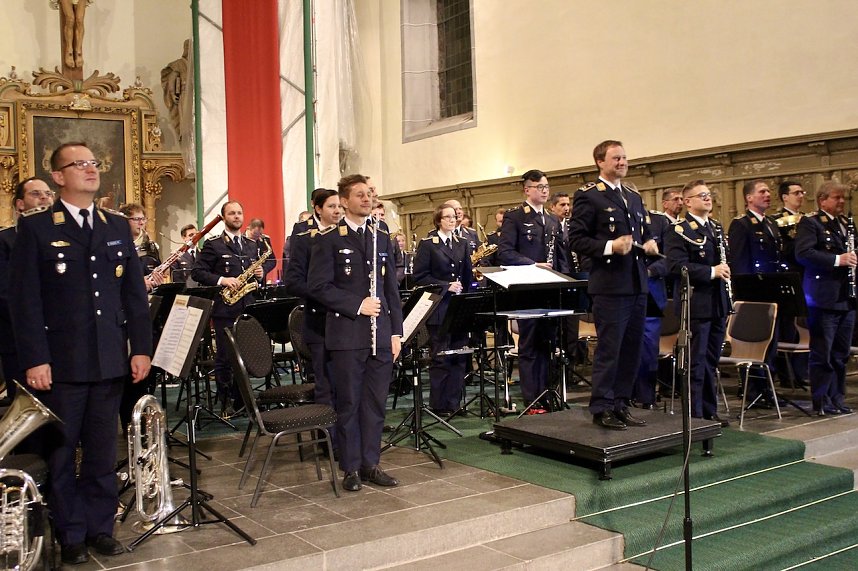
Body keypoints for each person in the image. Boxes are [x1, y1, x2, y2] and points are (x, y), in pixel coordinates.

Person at [8, 142, 152, 565]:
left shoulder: (115, 225)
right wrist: (35, 359)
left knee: (104, 451)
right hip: (61, 363)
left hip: (109, 358)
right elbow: (25, 303)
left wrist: (140, 349)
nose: (90, 170)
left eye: (93, 163)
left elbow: (133, 297)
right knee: (62, 451)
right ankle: (70, 532)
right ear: (57, 176)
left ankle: (100, 527)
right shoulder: (36, 229)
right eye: (79, 165)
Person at [307, 174, 403, 492]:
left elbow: (391, 291)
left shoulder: (381, 237)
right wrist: (356, 304)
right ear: (344, 201)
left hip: (381, 333)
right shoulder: (328, 240)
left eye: (369, 194)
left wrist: (396, 334)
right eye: (359, 195)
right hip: (347, 333)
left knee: (375, 403)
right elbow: (318, 287)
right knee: (349, 403)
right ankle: (350, 467)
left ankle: (370, 463)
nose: (366, 198)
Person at [568, 140, 659, 430]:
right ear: (600, 162)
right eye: (616, 158)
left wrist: (647, 246)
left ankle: (621, 403)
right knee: (610, 349)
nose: (622, 162)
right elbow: (576, 239)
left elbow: (637, 235)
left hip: (636, 283)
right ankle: (602, 406)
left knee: (632, 349)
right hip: (609, 285)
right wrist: (609, 246)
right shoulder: (589, 196)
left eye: (624, 157)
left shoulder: (632, 196)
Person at [498, 169, 567, 412]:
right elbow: (504, 252)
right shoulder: (515, 217)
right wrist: (531, 264)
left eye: (546, 186)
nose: (544, 190)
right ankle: (532, 399)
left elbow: (561, 257)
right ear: (527, 189)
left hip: (549, 289)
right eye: (539, 186)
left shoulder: (551, 219)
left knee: (548, 345)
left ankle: (547, 394)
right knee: (529, 345)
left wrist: (565, 281)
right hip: (527, 289)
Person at [664, 180, 731, 425]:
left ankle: (709, 410)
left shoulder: (715, 227)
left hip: (717, 303)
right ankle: (695, 415)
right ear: (688, 201)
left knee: (712, 360)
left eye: (709, 194)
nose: (707, 198)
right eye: (701, 195)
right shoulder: (679, 230)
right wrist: (711, 272)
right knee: (696, 361)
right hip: (696, 304)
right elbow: (675, 266)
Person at [191, 201, 267, 417]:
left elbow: (253, 275)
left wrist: (259, 276)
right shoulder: (213, 244)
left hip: (247, 307)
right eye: (232, 213)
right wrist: (223, 279)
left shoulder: (251, 244)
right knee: (225, 357)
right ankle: (225, 402)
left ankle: (243, 400)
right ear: (224, 218)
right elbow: (198, 272)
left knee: (245, 356)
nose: (236, 216)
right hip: (225, 308)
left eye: (239, 213)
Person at [794, 181, 856, 416]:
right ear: (822, 200)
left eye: (843, 198)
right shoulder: (811, 223)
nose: (841, 202)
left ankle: (837, 397)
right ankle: (821, 400)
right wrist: (837, 260)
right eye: (836, 198)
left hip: (846, 298)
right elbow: (803, 253)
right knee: (823, 353)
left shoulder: (845, 223)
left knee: (841, 353)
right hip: (823, 298)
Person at [283, 188, 341, 414]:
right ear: (318, 209)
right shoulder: (305, 239)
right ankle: (327, 440)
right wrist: (326, 294)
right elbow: (293, 282)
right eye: (331, 206)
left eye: (339, 206)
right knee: (325, 384)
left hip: (346, 322)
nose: (337, 211)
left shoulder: (347, 236)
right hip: (320, 320)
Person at [413, 204, 474, 415]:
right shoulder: (428, 244)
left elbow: (467, 275)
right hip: (439, 306)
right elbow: (419, 277)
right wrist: (445, 286)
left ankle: (454, 403)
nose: (452, 220)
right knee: (440, 356)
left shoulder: (462, 243)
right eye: (447, 217)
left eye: (454, 217)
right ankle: (439, 405)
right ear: (438, 221)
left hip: (457, 306)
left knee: (458, 354)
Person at [0, 177, 54, 397]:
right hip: (19, 341)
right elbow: (6, 295)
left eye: (48, 193)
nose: (44, 198)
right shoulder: (5, 240)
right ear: (20, 204)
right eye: (36, 194)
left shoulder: (59, 239)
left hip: (59, 341)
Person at [632, 188, 681, 409]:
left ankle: (645, 397)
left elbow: (670, 256)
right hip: (624, 290)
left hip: (651, 289)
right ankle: (624, 396)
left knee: (649, 348)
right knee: (625, 347)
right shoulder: (615, 220)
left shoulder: (659, 222)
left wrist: (650, 271)